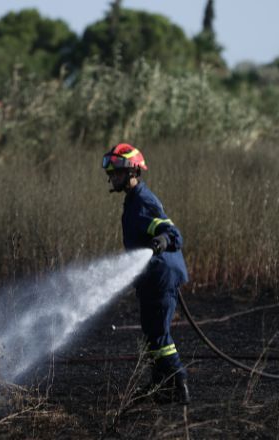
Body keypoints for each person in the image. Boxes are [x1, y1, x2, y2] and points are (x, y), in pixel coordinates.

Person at [102, 143, 191, 405]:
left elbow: (174, 235)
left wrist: (161, 241)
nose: (112, 177)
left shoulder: (144, 201)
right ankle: (160, 385)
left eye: (117, 172)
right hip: (151, 279)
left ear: (133, 172)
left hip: (161, 276)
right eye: (111, 173)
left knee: (159, 334)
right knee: (152, 332)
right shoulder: (133, 201)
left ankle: (179, 384)